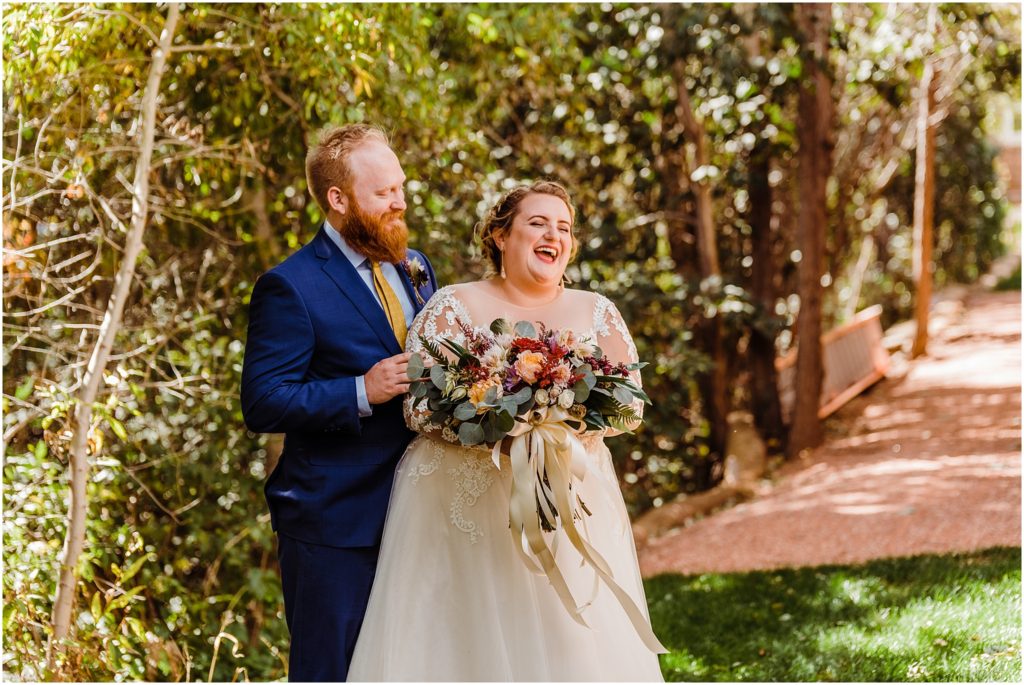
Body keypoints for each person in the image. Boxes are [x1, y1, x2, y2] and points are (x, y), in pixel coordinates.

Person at [348, 181, 665, 681]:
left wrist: (558, 417)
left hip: (568, 503)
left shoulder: (596, 311)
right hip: (460, 509)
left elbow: (629, 408)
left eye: (563, 228)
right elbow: (417, 409)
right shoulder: (452, 306)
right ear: (500, 235)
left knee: (570, 645)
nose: (553, 236)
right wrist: (500, 423)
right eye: (537, 223)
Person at [240, 123, 438, 681]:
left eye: (400, 187)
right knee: (332, 671)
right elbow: (263, 401)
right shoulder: (291, 286)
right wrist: (360, 391)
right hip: (335, 523)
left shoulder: (415, 266)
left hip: (419, 511)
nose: (400, 202)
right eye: (384, 193)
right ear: (338, 198)